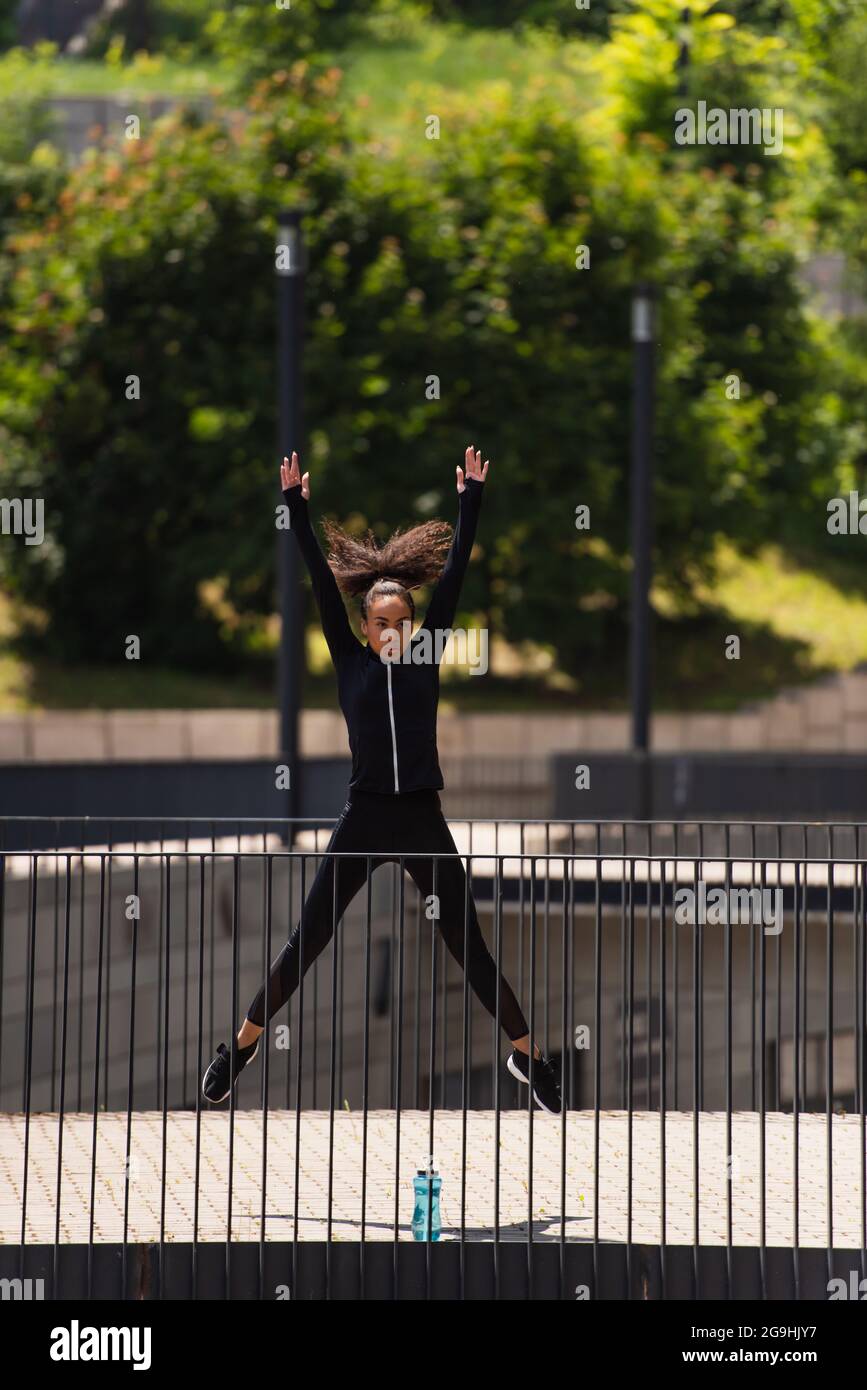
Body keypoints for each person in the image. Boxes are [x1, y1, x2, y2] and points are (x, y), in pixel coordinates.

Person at [202, 446, 561, 1113]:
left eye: (404, 625)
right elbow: (315, 576)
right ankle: (239, 1047)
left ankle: (529, 1058)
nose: (394, 634)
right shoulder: (349, 662)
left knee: (467, 944)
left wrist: (471, 499)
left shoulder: (426, 657)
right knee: (308, 938)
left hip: (421, 818)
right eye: (382, 625)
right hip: (364, 817)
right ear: (365, 630)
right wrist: (296, 509)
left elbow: (453, 576)